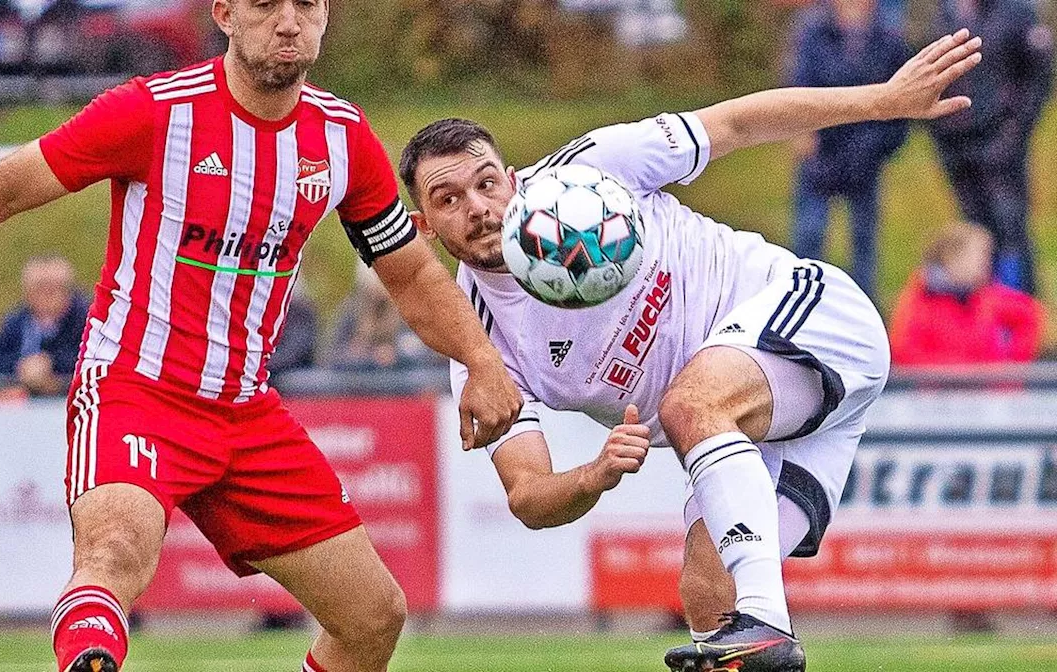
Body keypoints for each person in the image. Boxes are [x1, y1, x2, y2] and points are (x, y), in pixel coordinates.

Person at [0, 2, 522, 671]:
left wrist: (482, 358)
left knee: (373, 617)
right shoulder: (155, 114)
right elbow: (4, 188)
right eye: (266, 4)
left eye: (306, 3)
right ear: (225, 14)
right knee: (114, 552)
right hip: (136, 391)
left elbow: (415, 277)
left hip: (245, 411)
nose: (289, 22)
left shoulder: (342, 139)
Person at [399, 30, 981, 672]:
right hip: (771, 420)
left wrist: (881, 100)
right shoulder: (475, 340)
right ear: (424, 225)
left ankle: (767, 627)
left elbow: (734, 123)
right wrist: (597, 472)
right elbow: (528, 496)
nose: (478, 209)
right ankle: (758, 632)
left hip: (811, 315)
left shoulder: (590, 171)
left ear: (513, 179)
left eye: (486, 184)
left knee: (690, 404)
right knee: (708, 603)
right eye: (447, 201)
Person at [928, 0, 1054, 294]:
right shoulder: (945, 13)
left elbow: (1038, 78)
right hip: (957, 145)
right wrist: (941, 133)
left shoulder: (1017, 12)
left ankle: (1017, 313)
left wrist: (1013, 133)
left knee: (1010, 232)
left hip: (1002, 145)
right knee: (973, 236)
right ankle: (982, 320)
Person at [788, 0, 910, 297]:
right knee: (809, 234)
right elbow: (798, 85)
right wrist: (802, 131)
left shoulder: (889, 39)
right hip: (823, 152)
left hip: (866, 155)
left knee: (864, 241)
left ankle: (863, 311)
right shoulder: (813, 31)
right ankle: (802, 306)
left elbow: (901, 105)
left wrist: (879, 146)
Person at [889, 221, 1044, 367]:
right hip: (937, 393)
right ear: (953, 257)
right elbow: (904, 354)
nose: (986, 264)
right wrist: (965, 372)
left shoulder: (987, 295)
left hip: (990, 392)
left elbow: (1030, 314)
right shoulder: (921, 299)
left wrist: (1010, 368)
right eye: (980, 256)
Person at [0, 255, 90, 397]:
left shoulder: (86, 320)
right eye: (39, 289)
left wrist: (51, 364)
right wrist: (21, 366)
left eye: (52, 290)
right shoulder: (18, 320)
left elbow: (91, 358)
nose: (46, 297)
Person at [330, 262, 440, 371]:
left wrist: (395, 355)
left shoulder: (408, 311)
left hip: (402, 382)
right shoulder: (353, 311)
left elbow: (422, 353)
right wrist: (366, 356)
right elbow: (334, 357)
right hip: (360, 384)